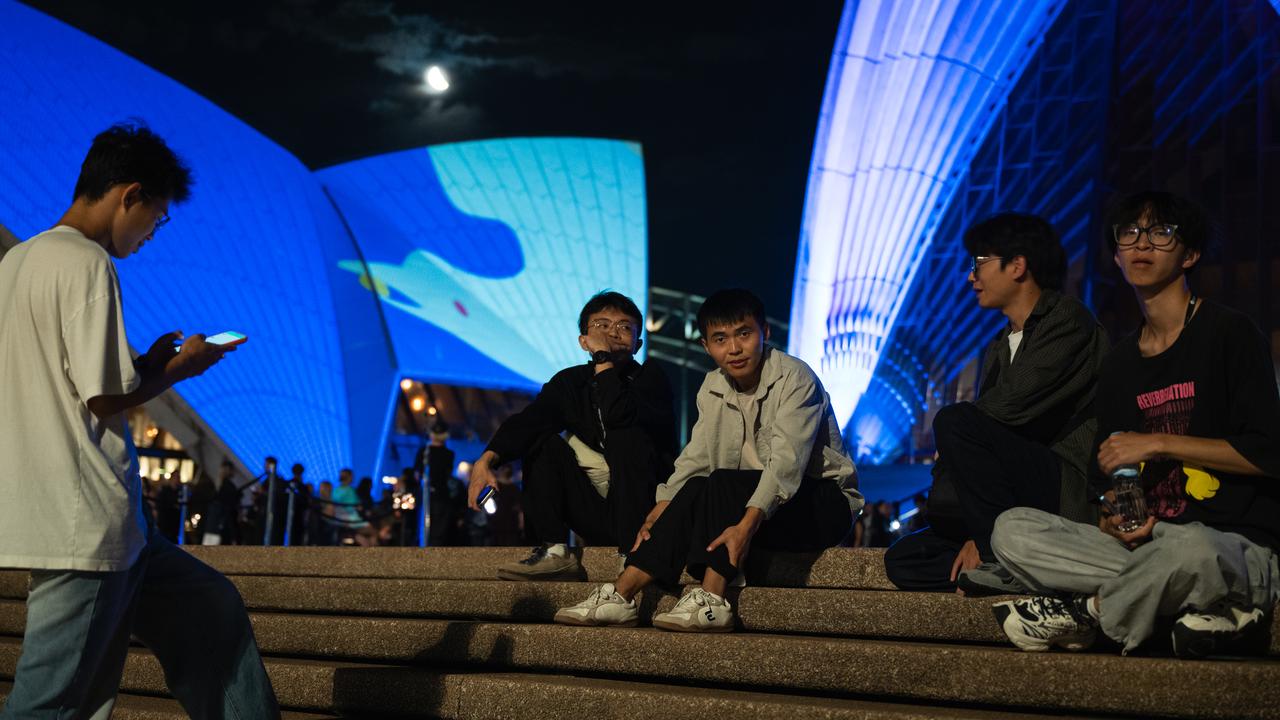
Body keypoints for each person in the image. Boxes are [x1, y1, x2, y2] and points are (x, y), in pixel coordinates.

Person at [0, 123, 278, 717]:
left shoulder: (19, 261)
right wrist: (182, 368)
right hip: (84, 523)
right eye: (156, 215)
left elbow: (64, 375)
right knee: (51, 702)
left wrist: (143, 364)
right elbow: (102, 399)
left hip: (91, 522)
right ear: (129, 195)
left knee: (212, 611)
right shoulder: (88, 264)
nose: (153, 232)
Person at [991, 191, 1280, 658]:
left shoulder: (1230, 333)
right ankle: (1188, 605)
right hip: (1147, 546)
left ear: (1191, 254)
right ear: (1119, 256)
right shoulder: (1121, 362)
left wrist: (1159, 443)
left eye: (1161, 233)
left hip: (1231, 545)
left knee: (1192, 550)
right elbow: (1108, 482)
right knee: (1012, 530)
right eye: (1130, 234)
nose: (1142, 244)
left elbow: (1269, 454)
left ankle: (1092, 613)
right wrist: (1111, 514)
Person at [554, 289, 862, 632]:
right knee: (701, 483)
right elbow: (696, 458)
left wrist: (743, 530)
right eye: (720, 339)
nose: (734, 348)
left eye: (744, 334)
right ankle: (622, 594)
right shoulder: (712, 386)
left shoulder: (794, 377)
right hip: (747, 502)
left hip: (820, 505)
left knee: (722, 482)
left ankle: (714, 598)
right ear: (706, 346)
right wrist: (662, 507)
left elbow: (786, 467)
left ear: (765, 333)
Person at [884, 213, 1108, 595]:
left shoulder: (1068, 320)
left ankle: (997, 558)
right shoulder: (999, 347)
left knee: (955, 420)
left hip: (1058, 486)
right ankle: (1006, 564)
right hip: (1012, 494)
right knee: (903, 559)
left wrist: (952, 444)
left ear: (1017, 265)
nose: (972, 277)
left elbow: (1010, 410)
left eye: (979, 263)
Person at [468, 291, 678, 580]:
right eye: (602, 325)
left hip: (646, 510)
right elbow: (531, 420)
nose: (612, 333)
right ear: (584, 341)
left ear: (637, 343)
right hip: (594, 509)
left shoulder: (651, 378)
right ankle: (555, 551)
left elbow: (620, 417)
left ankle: (633, 556)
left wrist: (603, 361)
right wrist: (487, 460)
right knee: (542, 440)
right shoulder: (570, 382)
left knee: (626, 436)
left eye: (624, 326)